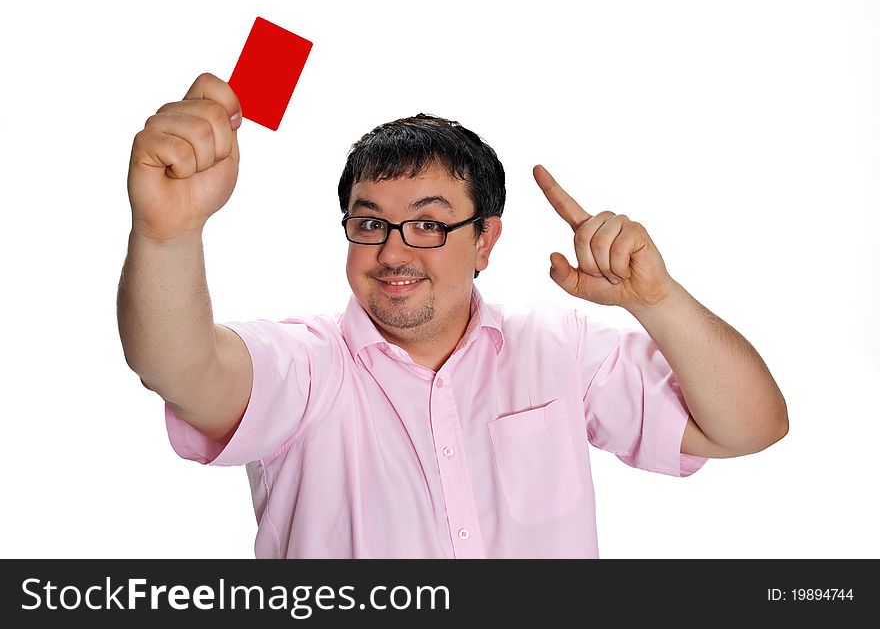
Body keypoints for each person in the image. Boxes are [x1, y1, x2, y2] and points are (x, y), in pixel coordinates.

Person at [117, 73, 788, 558]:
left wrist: (657, 300)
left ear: (486, 241)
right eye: (370, 221)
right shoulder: (307, 366)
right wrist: (166, 234)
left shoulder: (560, 352)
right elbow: (180, 367)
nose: (392, 250)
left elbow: (750, 426)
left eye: (429, 225)